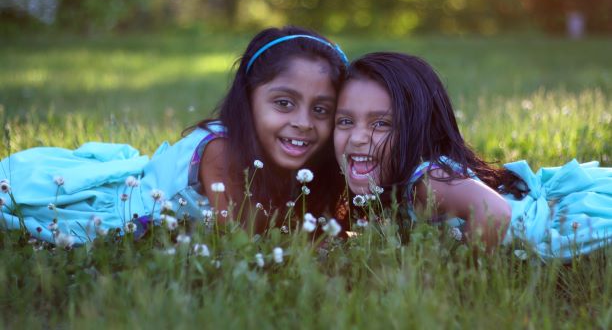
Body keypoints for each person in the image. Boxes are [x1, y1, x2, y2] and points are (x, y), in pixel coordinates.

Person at [0, 26, 348, 245]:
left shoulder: (305, 161)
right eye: (284, 103)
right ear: (249, 99)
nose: (303, 122)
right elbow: (246, 243)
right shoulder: (223, 153)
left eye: (321, 110)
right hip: (96, 213)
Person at [333, 52, 612, 260]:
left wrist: (461, 274)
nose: (357, 137)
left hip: (570, 221)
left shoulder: (427, 179)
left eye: (381, 124)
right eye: (345, 121)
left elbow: (495, 212)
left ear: (418, 128)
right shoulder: (393, 187)